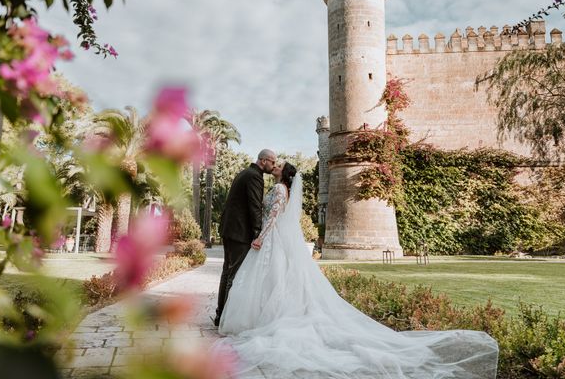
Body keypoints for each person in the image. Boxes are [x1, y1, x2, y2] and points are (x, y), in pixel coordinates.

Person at [216, 161, 499, 379]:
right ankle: (265, 317)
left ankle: (265, 318)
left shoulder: (278, 189)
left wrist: (261, 237)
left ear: (283, 174)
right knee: (274, 280)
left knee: (271, 280)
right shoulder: (281, 188)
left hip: (270, 240)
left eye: (278, 165)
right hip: (273, 242)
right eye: (274, 163)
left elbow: (274, 216)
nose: (275, 166)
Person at [212, 149, 276, 327]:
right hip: (239, 233)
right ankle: (224, 318)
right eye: (272, 162)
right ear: (263, 161)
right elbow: (254, 207)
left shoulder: (245, 173)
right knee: (234, 274)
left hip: (230, 230)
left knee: (227, 272)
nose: (274, 166)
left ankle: (220, 315)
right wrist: (258, 234)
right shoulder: (255, 176)